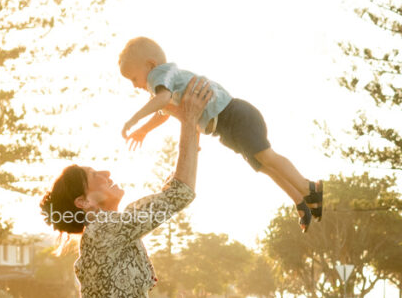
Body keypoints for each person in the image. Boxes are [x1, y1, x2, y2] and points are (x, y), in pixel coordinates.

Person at [118, 36, 323, 231]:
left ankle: (309, 187)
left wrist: (135, 118)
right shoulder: (171, 83)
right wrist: (144, 130)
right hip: (230, 126)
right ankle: (300, 201)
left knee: (267, 157)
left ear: (151, 65)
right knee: (263, 166)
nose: (135, 86)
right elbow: (167, 114)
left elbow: (161, 101)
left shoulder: (160, 76)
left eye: (134, 78)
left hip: (236, 117)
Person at [41, 77, 212, 298]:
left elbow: (172, 190)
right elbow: (178, 194)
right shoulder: (102, 230)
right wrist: (188, 121)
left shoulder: (110, 232)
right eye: (94, 175)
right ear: (84, 202)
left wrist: (193, 128)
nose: (106, 173)